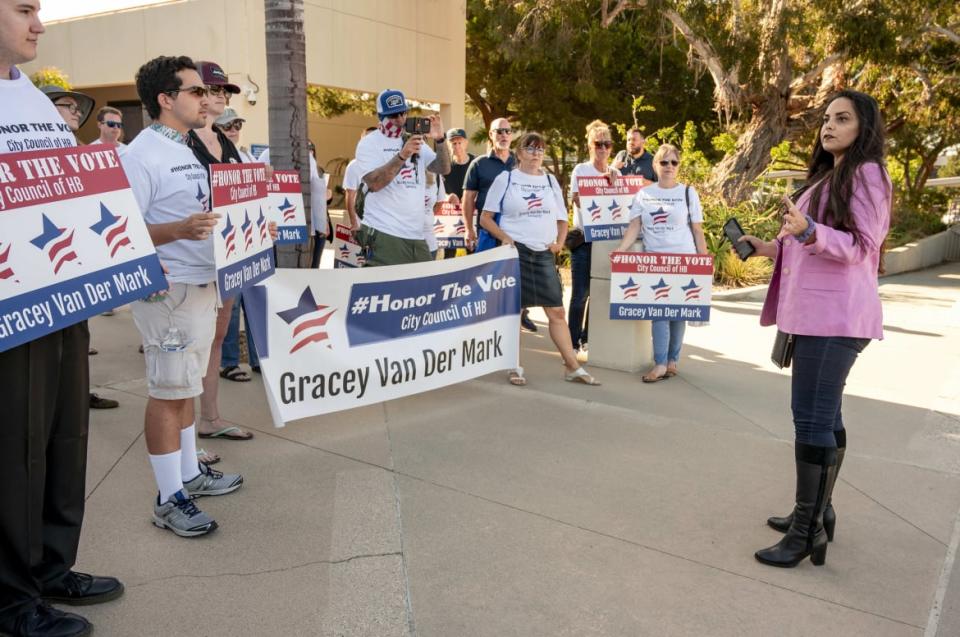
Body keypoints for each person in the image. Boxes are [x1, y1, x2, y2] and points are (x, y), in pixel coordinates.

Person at [0, 3, 123, 635]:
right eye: (24, 9)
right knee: (13, 449)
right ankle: (10, 601)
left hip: (62, 295)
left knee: (62, 436)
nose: (40, 23)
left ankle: (50, 569)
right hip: (10, 305)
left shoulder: (35, 101)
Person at [741, 90, 892, 568]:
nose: (829, 126)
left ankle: (806, 531)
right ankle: (818, 512)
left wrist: (809, 230)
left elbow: (862, 246)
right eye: (827, 118)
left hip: (835, 318)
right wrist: (766, 246)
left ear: (863, 127)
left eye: (842, 119)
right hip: (813, 317)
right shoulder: (830, 174)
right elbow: (806, 243)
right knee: (823, 418)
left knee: (809, 418)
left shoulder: (868, 172)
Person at [122, 55, 246, 538]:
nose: (205, 98)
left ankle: (190, 473)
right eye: (195, 91)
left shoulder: (192, 146)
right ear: (166, 99)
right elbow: (122, 230)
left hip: (203, 280)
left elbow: (212, 211)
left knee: (187, 386)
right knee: (167, 392)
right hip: (167, 288)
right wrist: (178, 229)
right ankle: (167, 497)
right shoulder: (141, 154)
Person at [480, 132, 601, 388]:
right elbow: (485, 217)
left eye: (540, 149)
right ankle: (513, 366)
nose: (536, 153)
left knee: (556, 310)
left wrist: (559, 242)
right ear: (519, 152)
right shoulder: (507, 178)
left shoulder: (549, 181)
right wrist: (505, 237)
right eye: (530, 148)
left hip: (543, 252)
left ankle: (572, 366)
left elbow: (561, 217)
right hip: (517, 253)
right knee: (515, 312)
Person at [181, 61, 260, 442]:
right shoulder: (178, 141)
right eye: (211, 89)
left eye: (224, 91)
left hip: (226, 255)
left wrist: (262, 223)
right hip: (190, 260)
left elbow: (243, 196)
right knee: (191, 344)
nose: (219, 96)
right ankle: (182, 432)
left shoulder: (227, 143)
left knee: (217, 335)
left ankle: (210, 418)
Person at [41, 86, 122, 410]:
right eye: (68, 106)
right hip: (46, 260)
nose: (77, 112)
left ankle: (77, 393)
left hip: (76, 257)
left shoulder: (76, 149)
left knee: (77, 337)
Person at [615, 143, 707, 383]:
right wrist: (621, 250)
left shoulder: (688, 192)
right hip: (655, 261)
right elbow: (634, 226)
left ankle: (672, 360)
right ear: (655, 165)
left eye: (673, 162)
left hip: (685, 259)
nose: (669, 166)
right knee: (659, 313)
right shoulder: (644, 194)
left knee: (678, 314)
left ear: (678, 166)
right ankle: (660, 364)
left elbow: (697, 230)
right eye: (664, 162)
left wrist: (704, 261)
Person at [354, 89, 451, 266]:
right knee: (384, 289)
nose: (399, 120)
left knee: (423, 288)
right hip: (384, 231)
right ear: (380, 116)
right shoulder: (369, 143)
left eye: (403, 113)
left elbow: (443, 168)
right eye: (393, 116)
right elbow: (375, 183)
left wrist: (440, 140)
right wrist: (402, 155)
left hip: (415, 233)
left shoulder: (413, 139)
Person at [462, 118, 537, 332]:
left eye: (508, 131)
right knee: (485, 277)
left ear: (512, 135)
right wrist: (469, 229)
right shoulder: (479, 164)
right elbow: (468, 199)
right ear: (491, 135)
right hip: (488, 229)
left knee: (515, 276)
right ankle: (480, 324)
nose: (504, 135)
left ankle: (518, 316)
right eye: (499, 131)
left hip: (516, 229)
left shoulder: (519, 162)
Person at [568, 120, 620, 356]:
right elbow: (577, 199)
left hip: (607, 240)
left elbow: (623, 205)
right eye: (598, 144)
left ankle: (588, 338)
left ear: (611, 148)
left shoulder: (616, 173)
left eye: (606, 144)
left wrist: (614, 187)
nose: (602, 148)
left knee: (598, 293)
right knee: (580, 294)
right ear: (590, 146)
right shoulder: (581, 170)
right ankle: (571, 341)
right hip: (584, 240)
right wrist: (603, 189)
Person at [439, 127, 474, 258]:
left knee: (472, 251)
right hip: (451, 215)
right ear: (448, 145)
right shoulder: (444, 166)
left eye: (460, 142)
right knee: (449, 254)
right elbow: (438, 190)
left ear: (466, 143)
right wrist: (448, 196)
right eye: (453, 143)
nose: (457, 146)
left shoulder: (475, 163)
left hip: (472, 214)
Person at [342, 126, 378, 231]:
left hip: (384, 224)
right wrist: (354, 222)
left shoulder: (388, 163)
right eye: (366, 139)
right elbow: (350, 196)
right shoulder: (354, 165)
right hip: (363, 223)